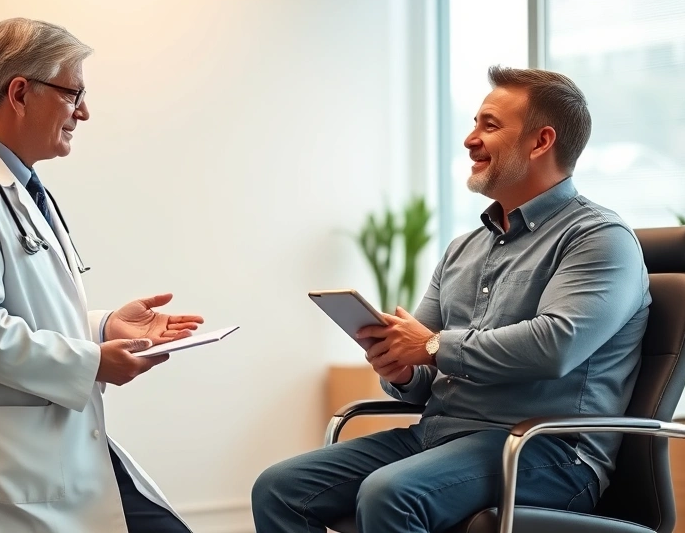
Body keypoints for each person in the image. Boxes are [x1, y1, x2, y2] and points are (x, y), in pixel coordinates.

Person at [251, 66, 651, 533]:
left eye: (489, 125)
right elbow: (424, 367)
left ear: (541, 142)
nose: (469, 139)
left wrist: (432, 346)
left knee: (391, 494)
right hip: (439, 436)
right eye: (474, 123)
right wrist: (401, 368)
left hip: (543, 451)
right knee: (279, 488)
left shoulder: (599, 238)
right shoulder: (463, 249)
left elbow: (555, 345)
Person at [0, 17, 203, 533]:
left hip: (37, 452)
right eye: (74, 95)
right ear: (19, 93)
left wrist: (103, 327)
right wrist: (94, 361)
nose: (84, 112)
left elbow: (23, 308)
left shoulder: (15, 185)